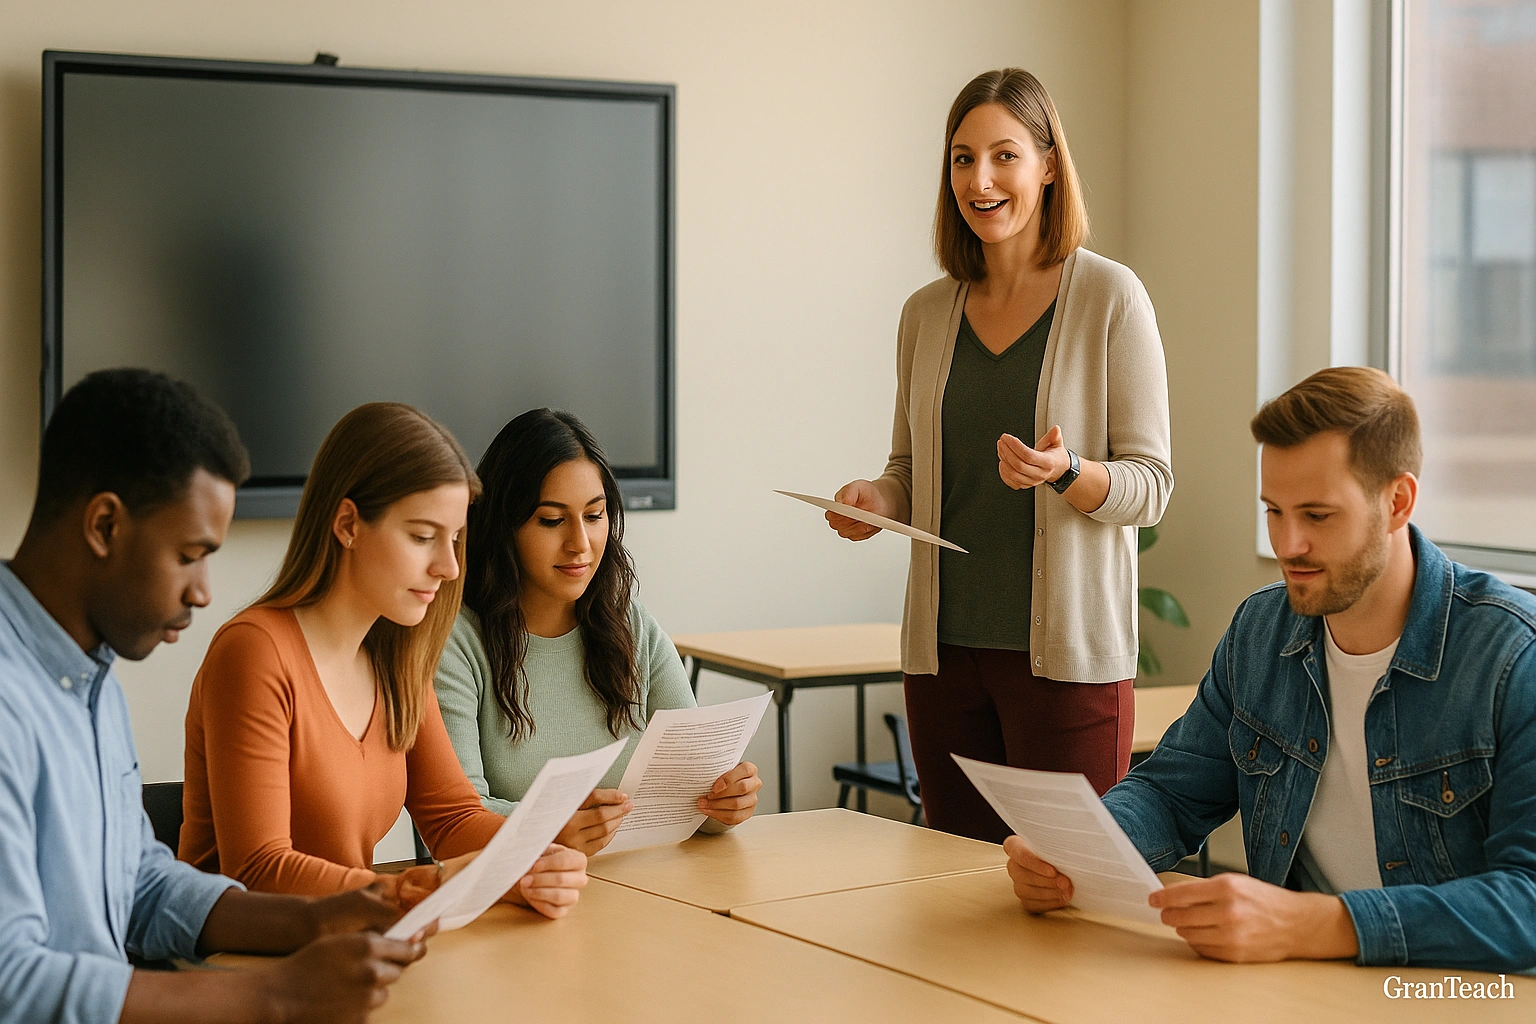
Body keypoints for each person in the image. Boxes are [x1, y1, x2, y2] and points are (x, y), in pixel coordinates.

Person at [1006, 367, 1536, 973]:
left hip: (1453, 998)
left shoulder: (1513, 655)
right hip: (1296, 986)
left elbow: (1529, 902)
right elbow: (1171, 792)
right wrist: (1079, 853)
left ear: (1398, 501)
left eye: (1317, 516)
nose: (1288, 544)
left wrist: (1314, 924)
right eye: (1274, 511)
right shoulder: (1262, 631)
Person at [0, 368, 439, 1024]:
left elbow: (139, 887)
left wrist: (314, 920)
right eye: (189, 554)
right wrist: (274, 996)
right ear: (104, 525)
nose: (205, 591)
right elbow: (11, 982)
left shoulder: (90, 679)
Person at [825, 68, 1172, 842]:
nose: (979, 180)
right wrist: (876, 502)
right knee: (955, 895)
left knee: (1067, 896)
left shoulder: (1111, 298)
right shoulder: (925, 314)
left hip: (1069, 669)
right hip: (943, 665)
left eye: (1004, 155)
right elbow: (909, 473)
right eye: (961, 157)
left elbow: (1151, 486)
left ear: (1049, 164)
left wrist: (1070, 474)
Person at [180, 402, 586, 917]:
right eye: (422, 537)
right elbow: (257, 870)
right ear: (348, 523)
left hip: (350, 944)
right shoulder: (254, 652)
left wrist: (531, 855)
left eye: (456, 539)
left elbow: (453, 817)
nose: (448, 566)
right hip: (239, 963)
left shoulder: (397, 655)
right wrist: (423, 887)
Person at [435, 409, 761, 856]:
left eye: (594, 515)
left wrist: (724, 800)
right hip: (521, 898)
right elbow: (458, 818)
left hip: (639, 892)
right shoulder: (457, 641)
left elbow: (693, 795)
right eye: (551, 520)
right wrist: (550, 827)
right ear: (502, 526)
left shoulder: (631, 624)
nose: (580, 544)